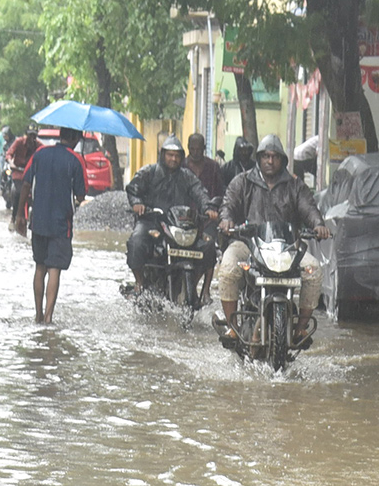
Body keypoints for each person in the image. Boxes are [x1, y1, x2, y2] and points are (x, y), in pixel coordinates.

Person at [217, 134, 331, 342]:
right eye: (266, 156)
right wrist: (226, 221)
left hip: (287, 246)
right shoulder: (242, 182)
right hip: (248, 243)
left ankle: (301, 328)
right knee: (227, 268)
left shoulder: (295, 186)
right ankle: (232, 327)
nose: (270, 161)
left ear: (283, 160)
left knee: (313, 271)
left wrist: (318, 225)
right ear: (259, 158)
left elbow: (309, 208)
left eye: (275, 157)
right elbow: (228, 205)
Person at [125, 135, 218, 295]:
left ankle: (204, 292)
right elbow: (133, 188)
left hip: (179, 223)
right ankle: (139, 282)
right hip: (152, 220)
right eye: (170, 155)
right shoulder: (149, 171)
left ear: (181, 157)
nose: (173, 159)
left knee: (209, 246)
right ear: (163, 155)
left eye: (176, 156)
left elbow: (199, 192)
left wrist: (208, 208)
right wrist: (137, 203)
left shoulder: (187, 176)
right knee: (136, 241)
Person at [15, 127, 86, 324]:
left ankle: (37, 315)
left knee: (40, 268)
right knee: (54, 269)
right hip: (61, 224)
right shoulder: (75, 160)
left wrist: (20, 214)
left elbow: (26, 184)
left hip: (38, 221)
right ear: (74, 138)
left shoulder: (40, 154)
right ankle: (48, 318)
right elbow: (80, 195)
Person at [184, 133, 224, 303]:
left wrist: (215, 210)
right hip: (184, 218)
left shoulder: (213, 167)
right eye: (192, 149)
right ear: (188, 148)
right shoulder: (182, 165)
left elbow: (222, 193)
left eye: (198, 149)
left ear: (204, 149)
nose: (195, 152)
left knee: (209, 247)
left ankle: (206, 290)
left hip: (207, 218)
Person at [5, 126, 42, 230]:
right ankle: (13, 217)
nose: (32, 138)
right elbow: (9, 154)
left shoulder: (39, 145)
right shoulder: (19, 142)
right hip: (18, 172)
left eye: (34, 136)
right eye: (30, 135)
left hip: (31, 173)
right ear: (26, 134)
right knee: (18, 192)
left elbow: (45, 153)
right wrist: (11, 163)